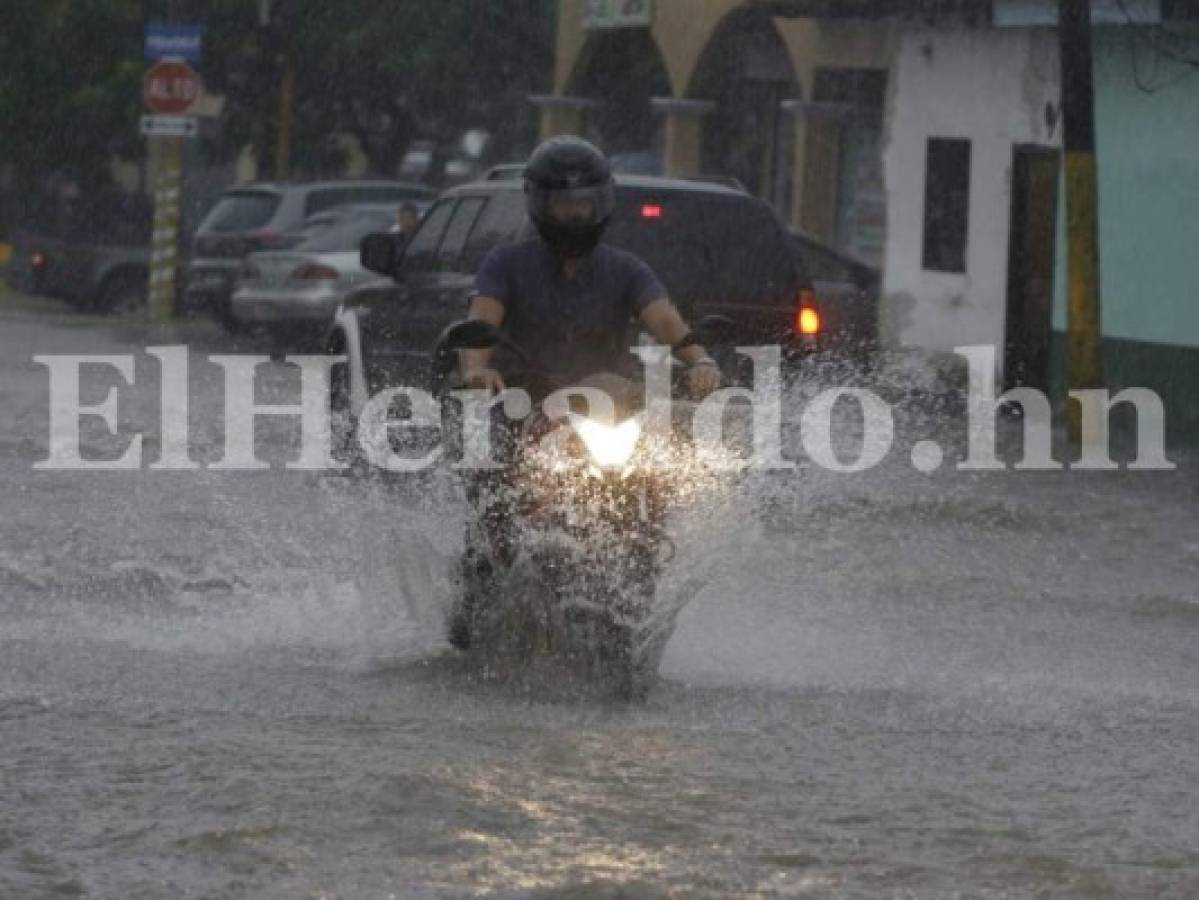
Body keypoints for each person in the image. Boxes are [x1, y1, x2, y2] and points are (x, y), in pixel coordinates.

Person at [448, 135, 721, 649]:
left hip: (607, 410)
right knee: (497, 497)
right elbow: (482, 319)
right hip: (522, 408)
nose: (575, 215)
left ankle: (638, 589)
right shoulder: (506, 264)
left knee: (652, 487)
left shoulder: (625, 269)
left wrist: (698, 359)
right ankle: (478, 594)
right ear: (539, 204)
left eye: (584, 204)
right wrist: (477, 371)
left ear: (603, 204)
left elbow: (662, 317)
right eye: (564, 204)